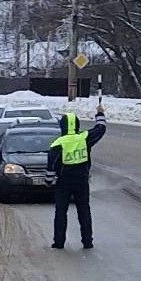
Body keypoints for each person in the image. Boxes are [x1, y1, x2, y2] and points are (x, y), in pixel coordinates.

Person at [47, 104, 107, 250]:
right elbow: (101, 129)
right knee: (84, 211)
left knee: (61, 212)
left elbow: (51, 165)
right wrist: (100, 114)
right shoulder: (84, 138)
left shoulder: (58, 144)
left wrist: (49, 181)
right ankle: (87, 241)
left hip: (64, 183)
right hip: (81, 181)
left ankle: (59, 241)